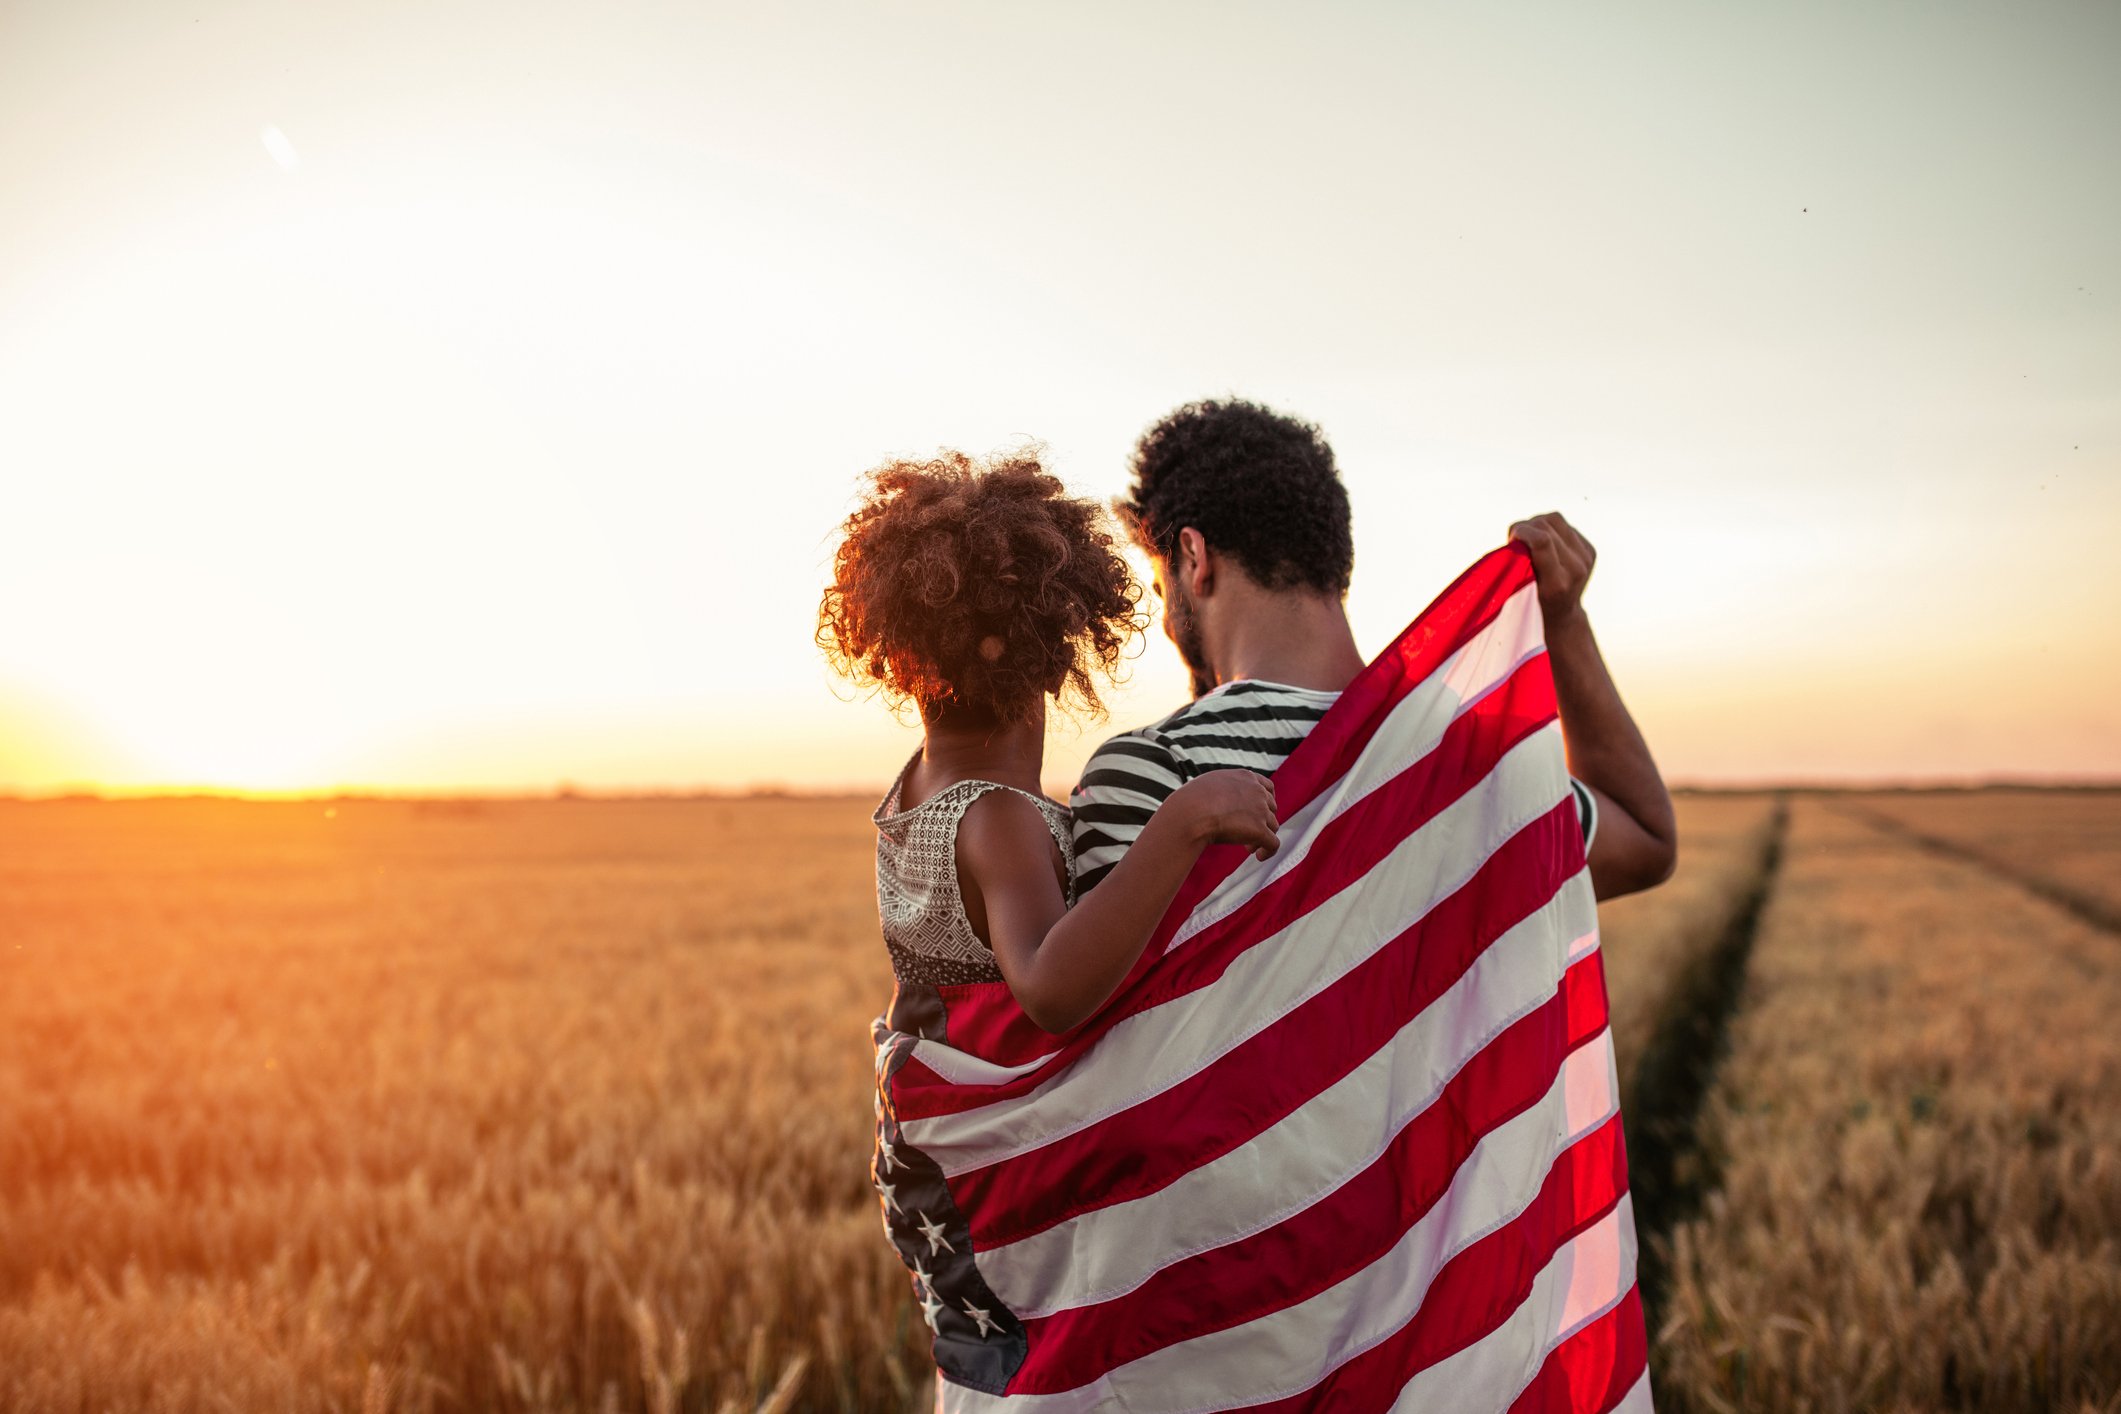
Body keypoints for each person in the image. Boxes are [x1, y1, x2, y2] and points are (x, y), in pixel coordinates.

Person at [1071, 397, 1677, 903]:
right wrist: (1565, 619)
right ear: (1333, 558)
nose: (1169, 626)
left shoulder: (1150, 773)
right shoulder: (1471, 762)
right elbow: (1646, 841)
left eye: (1159, 583)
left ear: (1194, 558)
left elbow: (1108, 1034)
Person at [815, 447, 1282, 1037]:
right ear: (1060, 658)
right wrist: (1186, 818)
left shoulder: (916, 786)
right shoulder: (997, 817)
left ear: (904, 655)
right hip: (1012, 1127)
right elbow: (1049, 989)